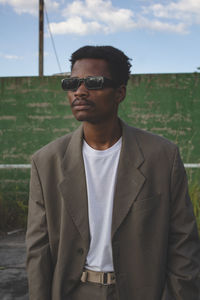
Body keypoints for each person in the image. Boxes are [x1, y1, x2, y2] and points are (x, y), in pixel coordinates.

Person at [26, 45, 200, 300]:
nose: (80, 91)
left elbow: (183, 244)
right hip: (72, 291)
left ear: (120, 92)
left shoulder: (162, 157)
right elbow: (37, 251)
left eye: (94, 83)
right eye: (72, 83)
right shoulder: (46, 162)